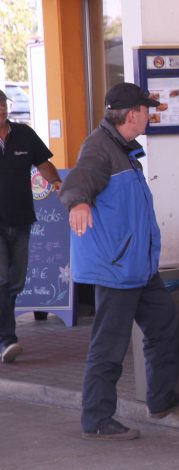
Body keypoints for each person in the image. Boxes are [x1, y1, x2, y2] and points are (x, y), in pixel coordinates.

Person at [58, 82, 179, 441]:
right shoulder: (99, 148)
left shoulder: (124, 149)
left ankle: (161, 398)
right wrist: (79, 202)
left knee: (164, 325)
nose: (149, 115)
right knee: (110, 345)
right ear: (132, 114)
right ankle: (97, 418)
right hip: (116, 267)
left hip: (139, 266)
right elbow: (79, 181)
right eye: (146, 110)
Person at [0, 89, 61, 364]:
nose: (1, 110)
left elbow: (43, 164)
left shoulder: (23, 134)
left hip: (22, 220)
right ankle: (7, 339)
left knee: (15, 282)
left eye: (3, 105)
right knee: (1, 280)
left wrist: (58, 183)